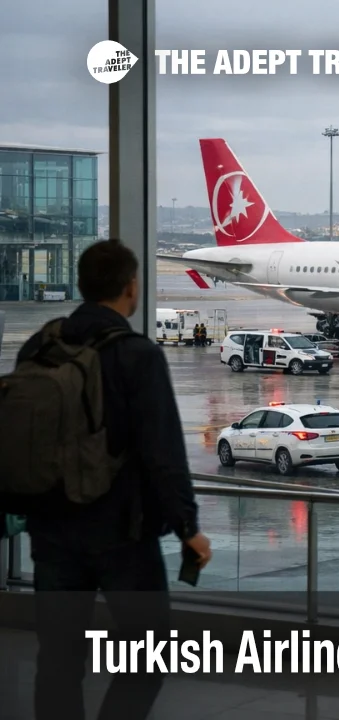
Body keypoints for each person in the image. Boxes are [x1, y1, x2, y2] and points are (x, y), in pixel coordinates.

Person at [14, 239, 212, 720]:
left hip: (50, 526)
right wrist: (188, 527)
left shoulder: (39, 345)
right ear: (131, 287)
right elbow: (163, 452)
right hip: (121, 531)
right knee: (148, 658)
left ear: (82, 285)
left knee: (58, 661)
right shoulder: (135, 354)